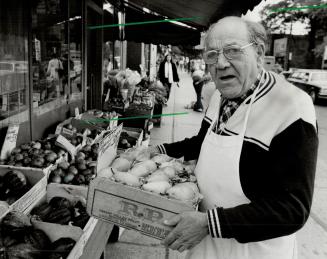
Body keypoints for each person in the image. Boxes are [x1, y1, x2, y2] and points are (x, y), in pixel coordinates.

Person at [149, 16, 318, 259]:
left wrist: (211, 223)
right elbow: (202, 144)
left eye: (232, 51)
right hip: (204, 244)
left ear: (258, 53)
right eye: (212, 54)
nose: (221, 63)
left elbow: (293, 208)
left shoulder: (292, 108)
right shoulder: (219, 96)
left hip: (254, 252)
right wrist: (159, 151)